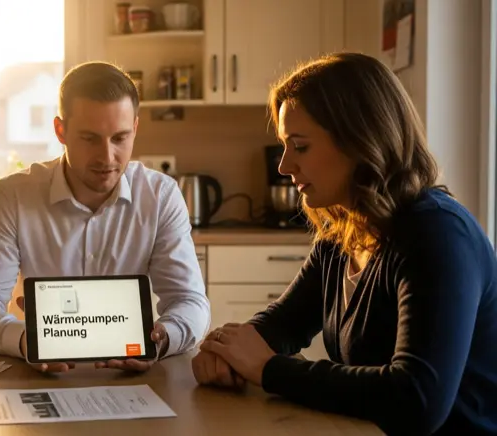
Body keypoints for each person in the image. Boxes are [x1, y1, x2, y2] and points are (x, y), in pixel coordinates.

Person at [193, 52, 497, 435]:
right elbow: (285, 322)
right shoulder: (344, 229)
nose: (284, 166)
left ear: (360, 141)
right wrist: (227, 350)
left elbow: (417, 400)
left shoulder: (437, 234)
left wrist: (269, 369)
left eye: (300, 146)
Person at [0, 61, 210, 373]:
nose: (107, 158)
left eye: (119, 138)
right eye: (90, 138)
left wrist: (160, 340)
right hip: (41, 380)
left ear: (135, 128)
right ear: (60, 131)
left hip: (132, 384)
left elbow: (191, 303)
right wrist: (27, 341)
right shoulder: (13, 197)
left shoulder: (161, 197)